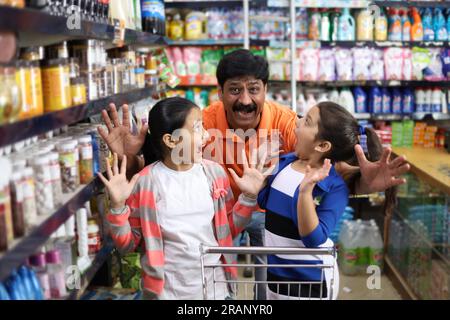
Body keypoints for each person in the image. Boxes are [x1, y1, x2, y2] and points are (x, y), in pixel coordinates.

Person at [98, 50, 410, 300]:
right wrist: (130, 156)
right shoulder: (202, 122)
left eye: (254, 89)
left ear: (265, 91)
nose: (245, 100)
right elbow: (162, 170)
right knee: (218, 279)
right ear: (219, 92)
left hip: (267, 213)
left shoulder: (289, 124)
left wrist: (366, 180)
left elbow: (326, 168)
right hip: (217, 218)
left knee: (265, 289)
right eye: (234, 90)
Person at [98, 97, 273, 300]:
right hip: (167, 294)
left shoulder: (214, 174)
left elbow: (228, 229)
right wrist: (118, 207)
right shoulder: (147, 182)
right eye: (198, 128)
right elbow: (126, 245)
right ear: (171, 140)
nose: (207, 136)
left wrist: (249, 197)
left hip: (217, 290)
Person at [258, 101, 394, 300]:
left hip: (310, 281)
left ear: (322, 145)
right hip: (276, 275)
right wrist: (257, 184)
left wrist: (305, 193)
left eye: (307, 121)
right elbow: (267, 203)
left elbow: (314, 239)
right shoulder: (286, 162)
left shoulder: (333, 187)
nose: (298, 122)